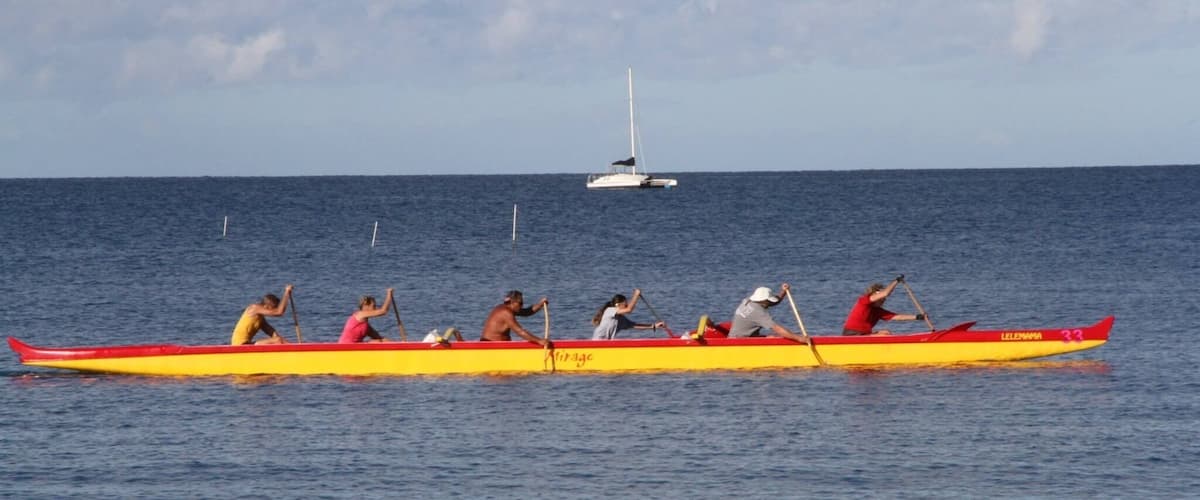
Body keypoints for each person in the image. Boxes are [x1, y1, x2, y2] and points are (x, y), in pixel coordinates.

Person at [841, 275, 925, 336]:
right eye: (881, 298)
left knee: (886, 332)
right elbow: (885, 293)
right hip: (852, 335)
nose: (883, 300)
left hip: (864, 334)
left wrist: (918, 317)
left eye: (883, 299)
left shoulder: (878, 311)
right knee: (884, 335)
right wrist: (896, 281)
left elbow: (897, 317)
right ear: (874, 295)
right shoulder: (863, 301)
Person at [727, 284, 809, 344]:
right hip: (739, 342)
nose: (770, 303)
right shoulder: (758, 312)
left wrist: (783, 292)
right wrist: (799, 339)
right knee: (777, 336)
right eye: (768, 301)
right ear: (764, 301)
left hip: (737, 337)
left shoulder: (748, 300)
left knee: (771, 337)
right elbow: (777, 329)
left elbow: (773, 302)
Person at [480, 290, 551, 346]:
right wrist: (539, 341)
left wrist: (540, 304)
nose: (522, 306)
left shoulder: (507, 309)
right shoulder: (506, 313)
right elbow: (520, 332)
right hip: (491, 347)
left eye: (522, 303)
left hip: (499, 347)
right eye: (520, 303)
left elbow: (527, 312)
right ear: (512, 303)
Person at [230, 285, 294, 345]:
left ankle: (295, 349)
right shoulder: (254, 308)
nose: (273, 310)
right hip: (240, 345)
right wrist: (286, 293)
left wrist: (287, 343)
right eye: (274, 308)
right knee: (278, 340)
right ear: (266, 306)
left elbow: (272, 333)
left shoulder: (260, 319)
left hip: (247, 344)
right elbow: (279, 312)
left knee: (278, 340)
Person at [590, 289, 665, 340]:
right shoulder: (609, 310)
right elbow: (629, 310)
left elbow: (635, 325)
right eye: (625, 305)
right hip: (597, 343)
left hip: (606, 344)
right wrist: (635, 295)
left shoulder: (621, 320)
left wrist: (654, 326)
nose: (627, 306)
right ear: (617, 305)